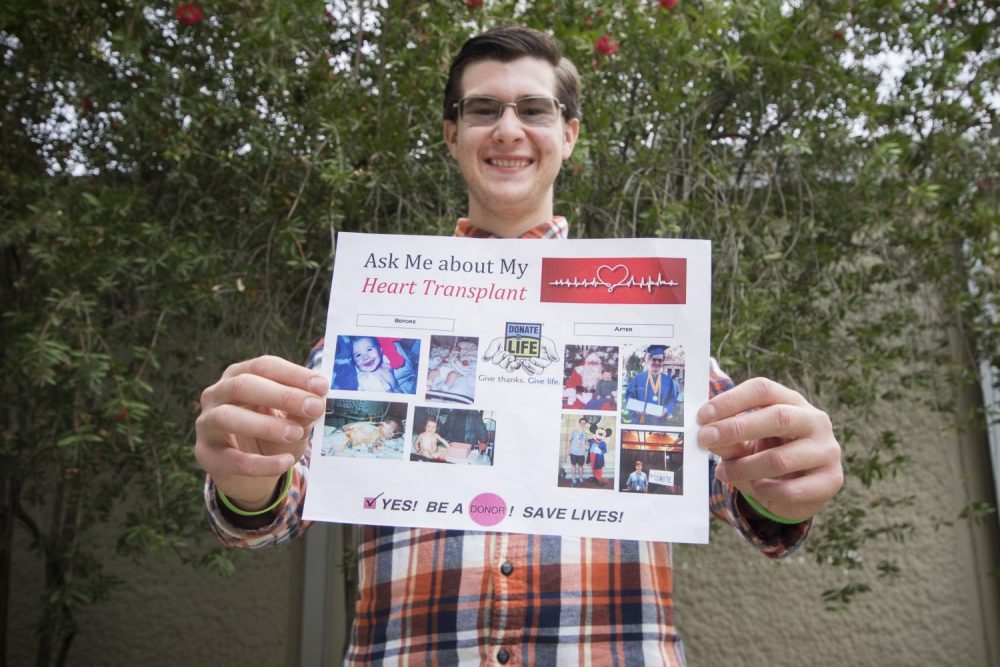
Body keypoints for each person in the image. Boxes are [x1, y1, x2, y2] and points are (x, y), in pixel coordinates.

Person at [195, 26, 844, 665]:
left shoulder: (653, 326)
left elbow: (742, 490)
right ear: (452, 133)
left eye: (534, 108)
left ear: (569, 133)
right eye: (483, 109)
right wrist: (245, 476)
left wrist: (784, 477)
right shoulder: (370, 321)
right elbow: (278, 505)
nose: (508, 129)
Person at [624, 344, 680, 425]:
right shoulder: (638, 378)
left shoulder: (668, 381)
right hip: (641, 420)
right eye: (654, 359)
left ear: (663, 360)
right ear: (649, 359)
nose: (657, 363)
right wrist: (636, 409)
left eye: (660, 360)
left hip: (660, 422)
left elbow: (673, 399)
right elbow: (629, 396)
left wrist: (665, 409)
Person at [565, 417, 590, 486]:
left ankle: (581, 478)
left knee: (581, 467)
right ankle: (573, 479)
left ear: (585, 424)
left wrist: (593, 443)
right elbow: (569, 440)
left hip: (581, 453)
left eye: (584, 423)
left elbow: (586, 442)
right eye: (581, 422)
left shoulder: (586, 433)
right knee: (573, 466)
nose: (583, 424)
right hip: (573, 452)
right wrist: (568, 450)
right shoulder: (574, 431)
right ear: (579, 423)